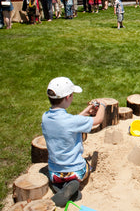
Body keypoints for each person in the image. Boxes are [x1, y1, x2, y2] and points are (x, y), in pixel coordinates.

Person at [42, 77, 106, 207]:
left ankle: (59, 187)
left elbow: (69, 122)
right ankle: (73, 187)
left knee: (57, 178)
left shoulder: (45, 117)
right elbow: (98, 119)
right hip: (75, 171)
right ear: (67, 97)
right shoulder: (72, 122)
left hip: (54, 172)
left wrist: (86, 112)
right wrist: (103, 105)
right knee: (87, 166)